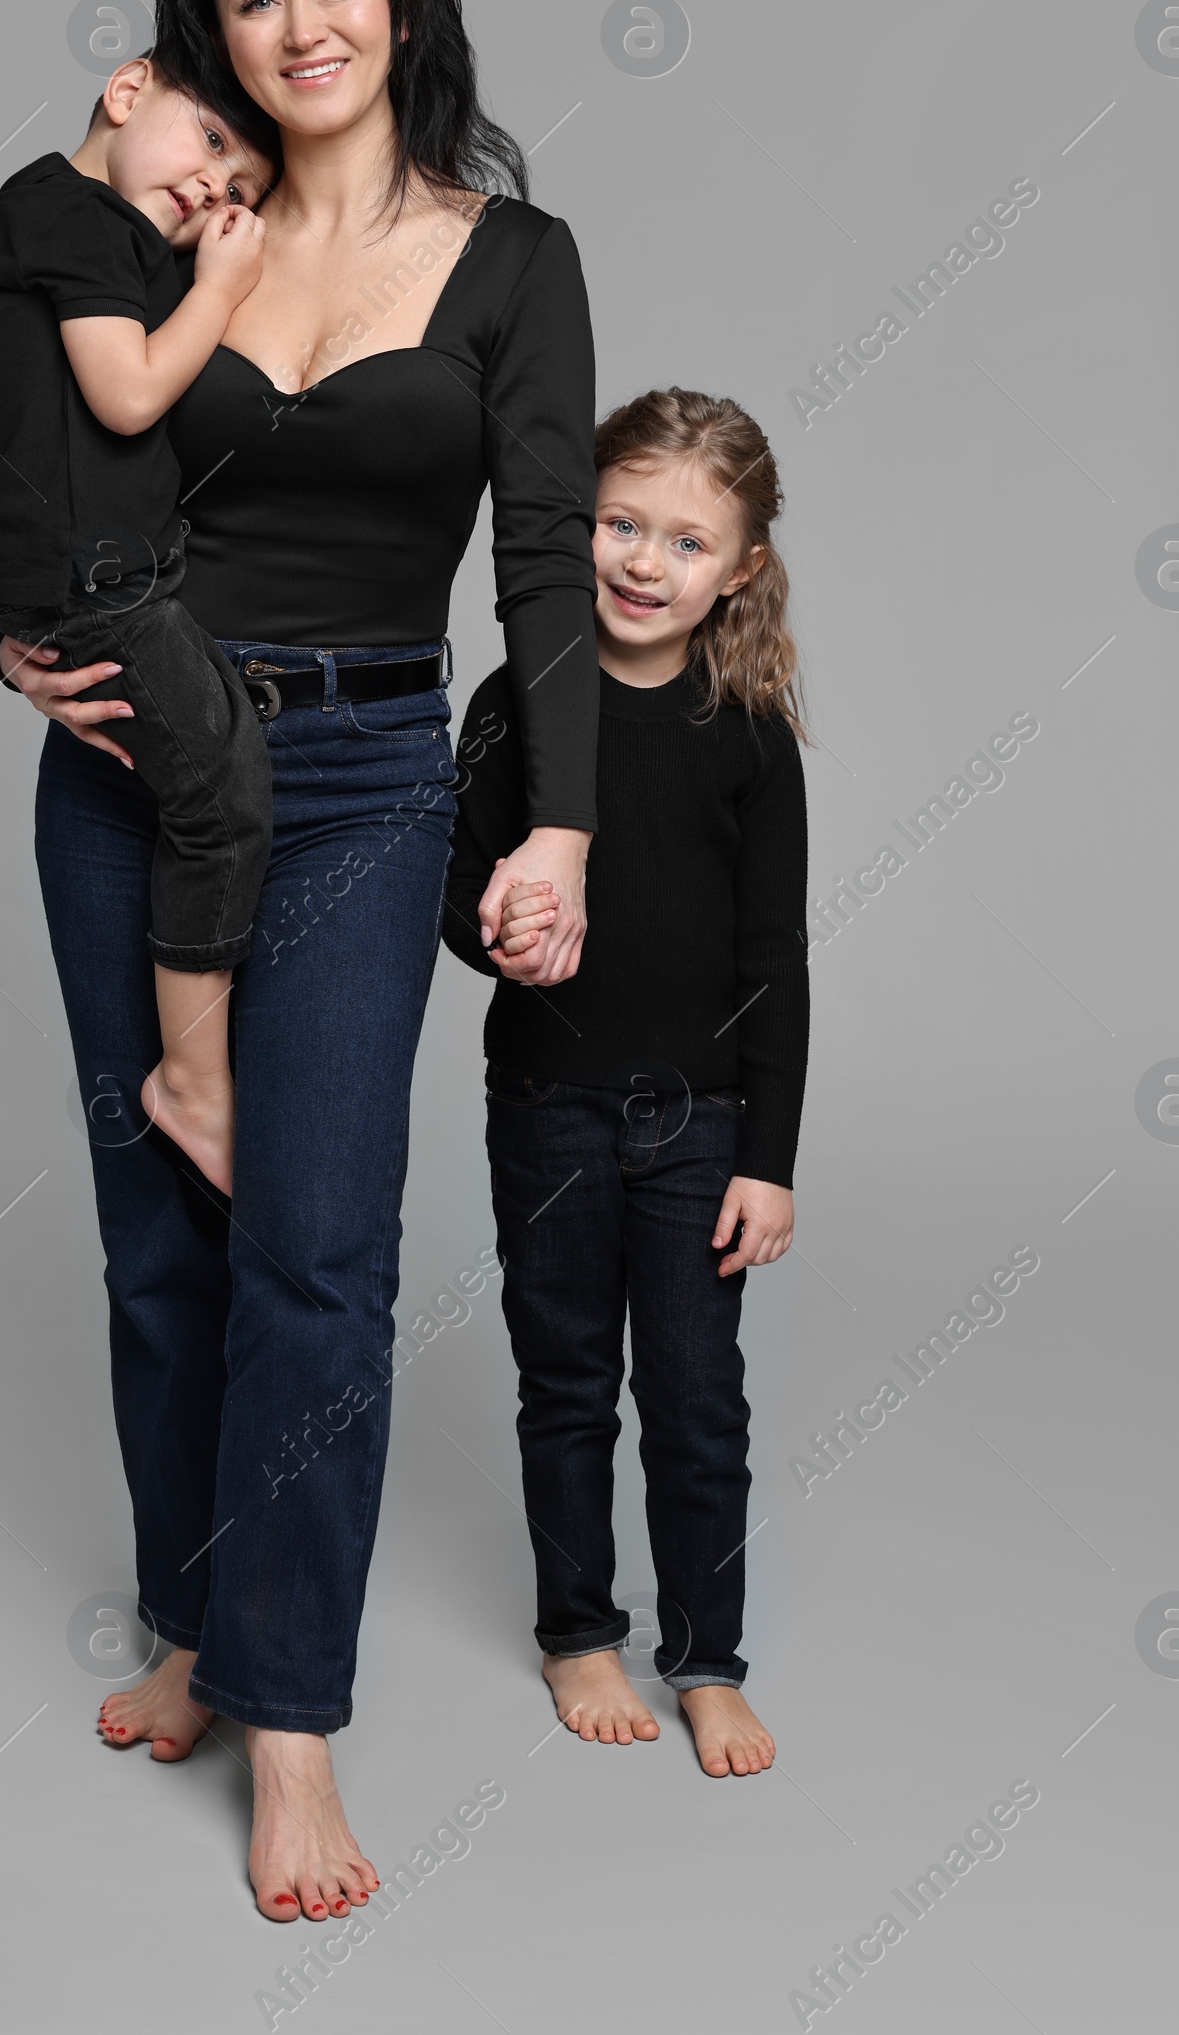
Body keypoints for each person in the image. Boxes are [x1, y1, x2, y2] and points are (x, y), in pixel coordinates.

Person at [0, 0, 599, 1920]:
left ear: (396, 0)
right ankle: (188, 1627)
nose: (298, 27)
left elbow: (536, 573)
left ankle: (292, 1721)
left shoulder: (512, 260)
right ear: (202, 33)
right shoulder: (157, 228)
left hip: (353, 778)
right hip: (138, 757)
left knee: (311, 1253)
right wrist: (4, 630)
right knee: (158, 1243)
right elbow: (20, 418)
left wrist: (561, 822)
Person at [442, 387, 809, 1777]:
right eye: (621, 524)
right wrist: (498, 926)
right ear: (573, 526)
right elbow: (454, 886)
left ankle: (706, 1656)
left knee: (700, 1400)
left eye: (687, 541)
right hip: (547, 1112)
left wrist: (767, 1157)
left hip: (703, 1122)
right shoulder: (516, 701)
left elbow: (777, 954)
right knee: (568, 1384)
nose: (645, 563)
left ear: (741, 569)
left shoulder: (748, 731)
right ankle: (578, 1632)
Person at [0, 58, 277, 1191]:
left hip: (88, 579)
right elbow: (128, 394)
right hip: (97, 587)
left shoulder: (81, 231)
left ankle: (192, 1071)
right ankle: (190, 1082)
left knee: (212, 760)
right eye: (214, 138)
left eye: (242, 189)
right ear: (129, 89)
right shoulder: (69, 217)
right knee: (225, 801)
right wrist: (222, 291)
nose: (216, 191)